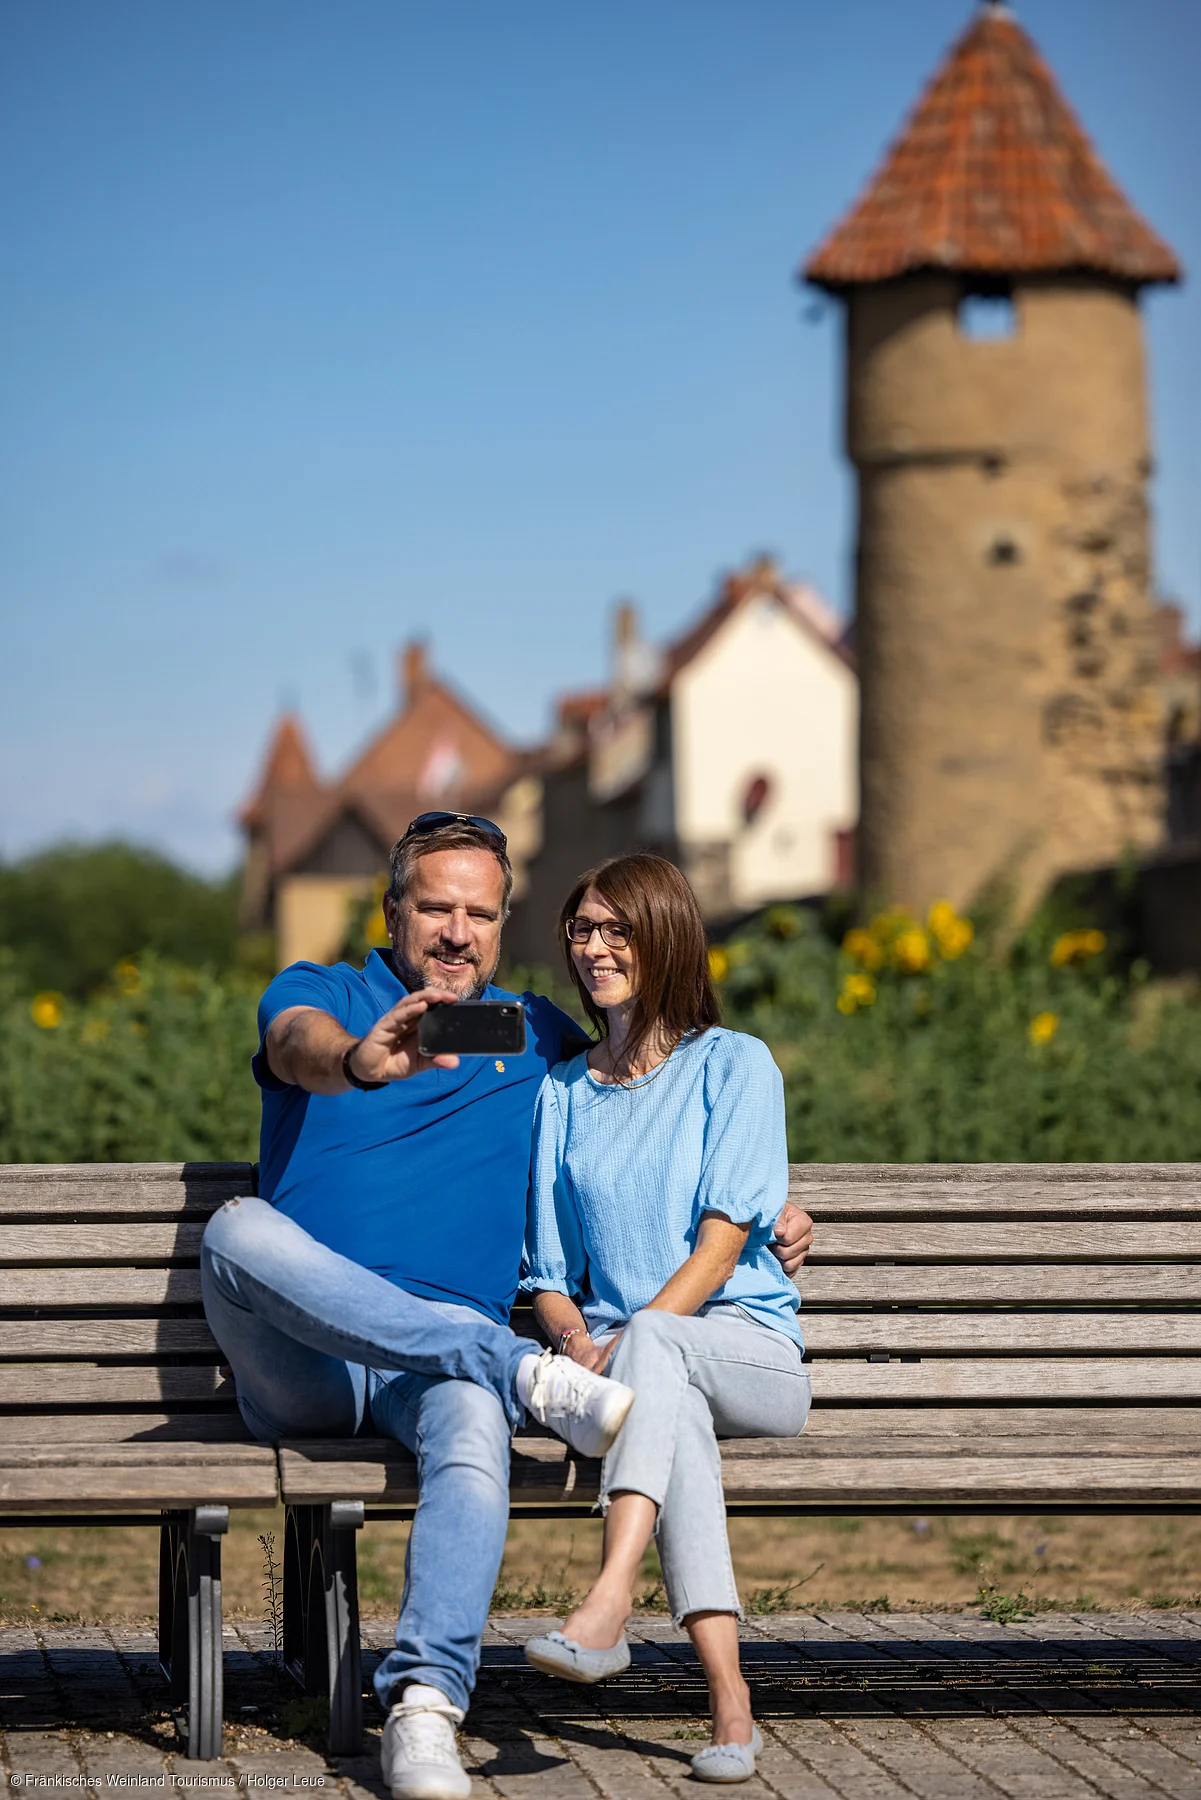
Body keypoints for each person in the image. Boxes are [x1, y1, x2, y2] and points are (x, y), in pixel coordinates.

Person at [201, 814, 815, 1800]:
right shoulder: (330, 997)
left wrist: (767, 1201)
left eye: (478, 913)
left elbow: (643, 1083)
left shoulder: (522, 1032)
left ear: (501, 923)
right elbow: (294, 1047)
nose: (455, 931)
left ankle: (425, 1711)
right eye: (435, 906)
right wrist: (361, 1060)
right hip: (305, 1360)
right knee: (236, 1228)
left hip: (437, 1367)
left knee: (475, 1430)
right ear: (392, 908)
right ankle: (513, 1370)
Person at [522, 853, 812, 1784]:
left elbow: (724, 1251)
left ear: (666, 938)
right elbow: (549, 1275)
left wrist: (630, 1342)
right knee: (669, 1406)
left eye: (618, 930)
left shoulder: (734, 1065)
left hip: (751, 1354)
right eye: (581, 929)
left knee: (662, 1348)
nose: (595, 948)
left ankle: (607, 1603)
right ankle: (731, 1707)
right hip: (636, 1372)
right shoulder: (562, 1092)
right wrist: (578, 1340)